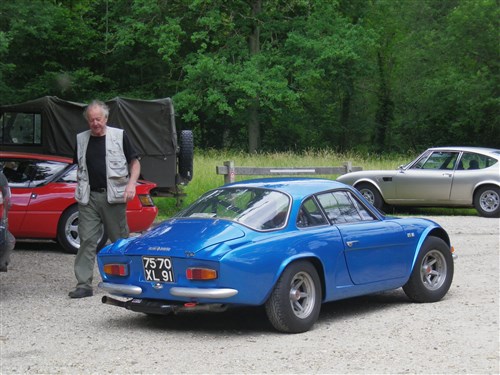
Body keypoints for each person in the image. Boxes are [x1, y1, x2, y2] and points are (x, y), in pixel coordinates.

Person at [68, 100, 140, 298]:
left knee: (120, 240)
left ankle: (128, 281)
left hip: (113, 197)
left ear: (106, 118)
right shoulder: (81, 139)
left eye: (98, 119)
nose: (95, 123)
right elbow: (79, 167)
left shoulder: (119, 136)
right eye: (91, 120)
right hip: (89, 197)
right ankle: (83, 284)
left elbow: (135, 163)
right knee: (87, 240)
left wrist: (131, 184)